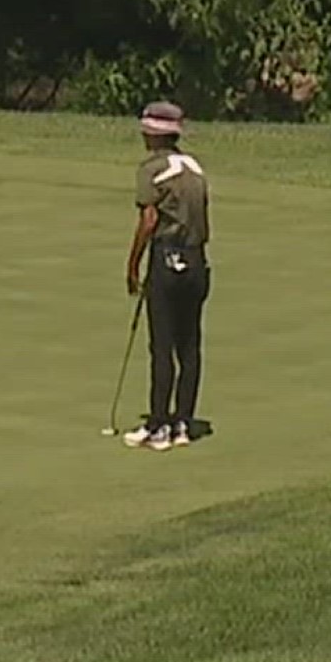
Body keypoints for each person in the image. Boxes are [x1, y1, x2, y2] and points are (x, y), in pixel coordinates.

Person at [123, 101, 212, 451]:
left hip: (166, 261)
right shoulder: (195, 167)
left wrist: (132, 265)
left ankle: (158, 425)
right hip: (197, 263)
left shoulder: (151, 169)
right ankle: (183, 424)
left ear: (154, 135)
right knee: (189, 345)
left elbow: (149, 221)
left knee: (161, 345)